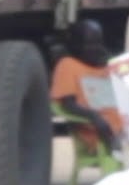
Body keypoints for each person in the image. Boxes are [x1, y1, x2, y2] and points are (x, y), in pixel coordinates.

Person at [51, 19, 123, 157]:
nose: (95, 48)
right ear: (76, 45)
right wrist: (94, 116)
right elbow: (68, 104)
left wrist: (108, 63)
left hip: (125, 129)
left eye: (98, 43)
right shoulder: (68, 65)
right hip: (99, 133)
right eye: (89, 44)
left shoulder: (104, 65)